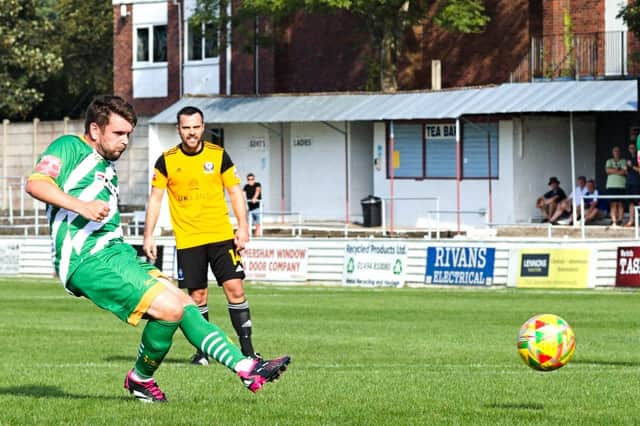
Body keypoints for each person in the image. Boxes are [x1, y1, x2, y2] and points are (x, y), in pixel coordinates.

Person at [25, 95, 289, 403]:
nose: (125, 141)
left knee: (185, 304)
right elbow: (36, 183)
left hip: (117, 253)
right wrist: (80, 206)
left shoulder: (107, 166)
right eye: (118, 133)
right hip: (88, 258)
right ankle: (142, 377)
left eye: (129, 134)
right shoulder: (69, 147)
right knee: (170, 308)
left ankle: (245, 366)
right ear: (95, 130)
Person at [142, 106, 258, 366]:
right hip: (188, 239)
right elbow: (155, 199)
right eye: (186, 128)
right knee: (197, 297)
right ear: (178, 130)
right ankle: (204, 352)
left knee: (235, 289)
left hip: (220, 235)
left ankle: (248, 351)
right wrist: (148, 235)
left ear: (203, 127)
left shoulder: (218, 156)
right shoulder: (166, 160)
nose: (191, 132)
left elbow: (235, 191)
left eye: (196, 127)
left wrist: (243, 226)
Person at [605, 146, 627, 226]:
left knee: (621, 203)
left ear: (620, 152)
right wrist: (619, 170)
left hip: (621, 185)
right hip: (611, 185)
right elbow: (607, 170)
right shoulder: (609, 161)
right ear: (612, 152)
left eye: (618, 151)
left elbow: (624, 172)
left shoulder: (624, 161)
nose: (616, 152)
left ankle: (620, 221)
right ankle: (614, 221)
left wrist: (613, 171)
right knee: (613, 204)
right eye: (615, 151)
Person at [625, 142, 640, 227]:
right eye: (630, 148)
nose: (632, 149)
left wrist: (632, 166)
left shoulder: (638, 158)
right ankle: (631, 220)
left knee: (638, 202)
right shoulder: (627, 158)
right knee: (631, 202)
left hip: (637, 183)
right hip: (629, 183)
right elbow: (626, 171)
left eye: (633, 148)